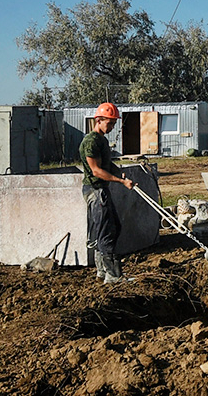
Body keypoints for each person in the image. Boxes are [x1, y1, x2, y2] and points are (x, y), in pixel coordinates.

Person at [81, 102, 136, 284]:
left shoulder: (102, 141)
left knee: (111, 228)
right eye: (109, 123)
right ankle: (113, 275)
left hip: (101, 190)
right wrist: (121, 181)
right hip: (95, 191)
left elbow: (106, 165)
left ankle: (102, 272)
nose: (112, 127)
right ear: (98, 120)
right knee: (107, 231)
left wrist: (118, 171)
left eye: (113, 123)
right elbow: (96, 170)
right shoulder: (90, 142)